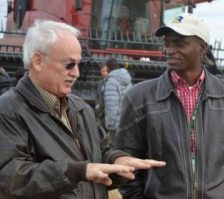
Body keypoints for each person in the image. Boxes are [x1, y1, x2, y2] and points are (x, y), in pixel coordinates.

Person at [0, 20, 165, 199]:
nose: (76, 73)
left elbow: (101, 152)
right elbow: (10, 178)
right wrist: (77, 171)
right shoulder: (8, 110)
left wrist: (119, 161)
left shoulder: (81, 108)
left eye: (80, 64)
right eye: (69, 64)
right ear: (38, 61)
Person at [116, 13, 224, 199]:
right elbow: (127, 161)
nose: (170, 50)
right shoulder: (138, 97)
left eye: (179, 43)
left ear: (203, 47)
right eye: (167, 43)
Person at [103, 58, 132, 145]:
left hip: (116, 124)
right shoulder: (127, 79)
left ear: (108, 68)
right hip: (127, 121)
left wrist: (110, 124)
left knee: (116, 151)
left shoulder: (111, 81)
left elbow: (111, 104)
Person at [95, 64, 109, 129]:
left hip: (109, 112)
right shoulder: (100, 83)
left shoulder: (112, 83)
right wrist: (97, 106)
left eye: (106, 71)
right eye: (102, 71)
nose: (104, 73)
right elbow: (97, 96)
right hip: (101, 113)